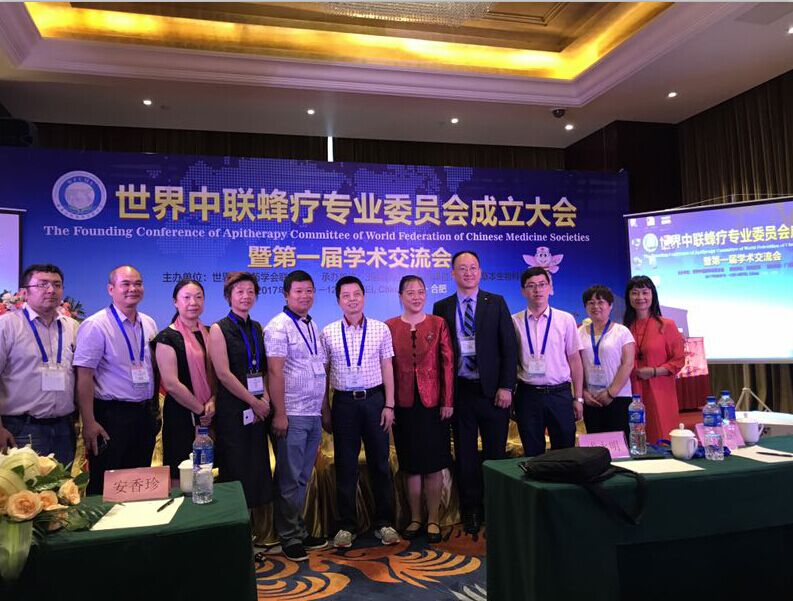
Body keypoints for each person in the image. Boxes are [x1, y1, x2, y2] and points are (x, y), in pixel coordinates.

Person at [433, 251, 517, 535]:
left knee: (495, 453)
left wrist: (506, 386)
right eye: (462, 268)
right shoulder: (442, 306)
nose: (468, 273)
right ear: (452, 273)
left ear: (480, 272)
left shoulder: (496, 302)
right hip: (461, 392)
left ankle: (495, 507)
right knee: (465, 454)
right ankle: (471, 509)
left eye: (473, 268)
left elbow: (509, 348)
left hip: (493, 393)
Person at [321, 275, 399, 549]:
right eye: (346, 296)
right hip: (343, 404)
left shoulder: (380, 329)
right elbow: (324, 374)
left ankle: (384, 523)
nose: (352, 300)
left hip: (374, 401)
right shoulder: (328, 332)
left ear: (364, 297)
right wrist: (325, 408)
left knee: (380, 463)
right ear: (338, 301)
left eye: (356, 294)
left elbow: (387, 367)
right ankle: (347, 526)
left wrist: (389, 404)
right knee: (346, 465)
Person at [74, 265, 159, 495]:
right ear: (111, 289)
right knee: (107, 486)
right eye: (126, 284)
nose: (133, 289)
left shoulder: (148, 323)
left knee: (139, 484)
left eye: (138, 284)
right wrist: (89, 422)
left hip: (143, 415)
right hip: (111, 416)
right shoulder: (96, 325)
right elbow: (84, 376)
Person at [264, 270, 329, 562]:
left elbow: (320, 371)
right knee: (289, 479)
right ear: (286, 295)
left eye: (309, 290)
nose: (305, 296)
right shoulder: (279, 326)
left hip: (312, 413)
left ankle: (299, 530)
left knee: (303, 477)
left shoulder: (312, 325)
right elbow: (274, 371)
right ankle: (288, 536)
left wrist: (324, 411)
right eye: (298, 291)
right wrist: (280, 413)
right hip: (292, 414)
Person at [386, 275, 454, 544]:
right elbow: (386, 367)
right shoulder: (389, 326)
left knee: (434, 464)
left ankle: (434, 518)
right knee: (411, 464)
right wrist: (389, 404)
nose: (416, 297)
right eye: (410, 292)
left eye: (420, 291)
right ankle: (415, 518)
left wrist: (448, 400)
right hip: (403, 404)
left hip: (434, 404)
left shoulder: (438, 323)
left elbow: (447, 364)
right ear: (400, 296)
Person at [0, 264, 79, 464]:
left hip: (64, 428)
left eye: (57, 285)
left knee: (63, 484)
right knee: (24, 484)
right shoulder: (7, 325)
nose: (51, 290)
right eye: (43, 284)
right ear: (25, 292)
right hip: (21, 428)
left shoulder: (72, 327)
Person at [208, 272, 273, 511]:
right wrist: (253, 402)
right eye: (240, 292)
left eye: (250, 292)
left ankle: (257, 527)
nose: (246, 296)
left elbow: (263, 369)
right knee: (236, 466)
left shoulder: (256, 327)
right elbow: (223, 373)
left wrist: (265, 399)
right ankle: (235, 520)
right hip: (234, 408)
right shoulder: (219, 328)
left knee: (256, 467)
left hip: (258, 409)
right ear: (229, 296)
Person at [512, 266, 584, 457]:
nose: (537, 290)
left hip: (559, 394)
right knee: (532, 453)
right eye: (531, 286)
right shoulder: (514, 321)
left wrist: (578, 398)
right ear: (523, 291)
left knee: (565, 453)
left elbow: (575, 360)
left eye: (542, 284)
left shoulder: (565, 319)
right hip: (528, 395)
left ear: (550, 288)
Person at [154, 278, 216, 480]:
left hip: (213, 413)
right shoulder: (167, 337)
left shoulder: (212, 333)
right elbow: (171, 384)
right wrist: (200, 411)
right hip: (181, 415)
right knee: (182, 474)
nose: (193, 302)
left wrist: (213, 401)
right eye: (186, 297)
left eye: (198, 297)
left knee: (211, 472)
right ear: (175, 302)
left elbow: (220, 372)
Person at [624, 275, 685, 444]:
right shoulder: (624, 327)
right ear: (628, 297)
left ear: (653, 295)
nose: (640, 297)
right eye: (635, 293)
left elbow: (679, 360)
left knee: (660, 435)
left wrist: (654, 371)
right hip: (631, 390)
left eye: (645, 292)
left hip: (660, 390)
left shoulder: (667, 325)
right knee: (635, 435)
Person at [577, 285, 635, 439]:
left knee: (619, 445)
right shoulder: (579, 332)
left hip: (618, 397)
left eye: (600, 302)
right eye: (591, 303)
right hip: (591, 399)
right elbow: (576, 366)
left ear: (610, 305)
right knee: (595, 445)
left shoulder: (622, 331)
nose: (596, 306)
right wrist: (583, 392)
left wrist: (611, 393)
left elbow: (628, 364)